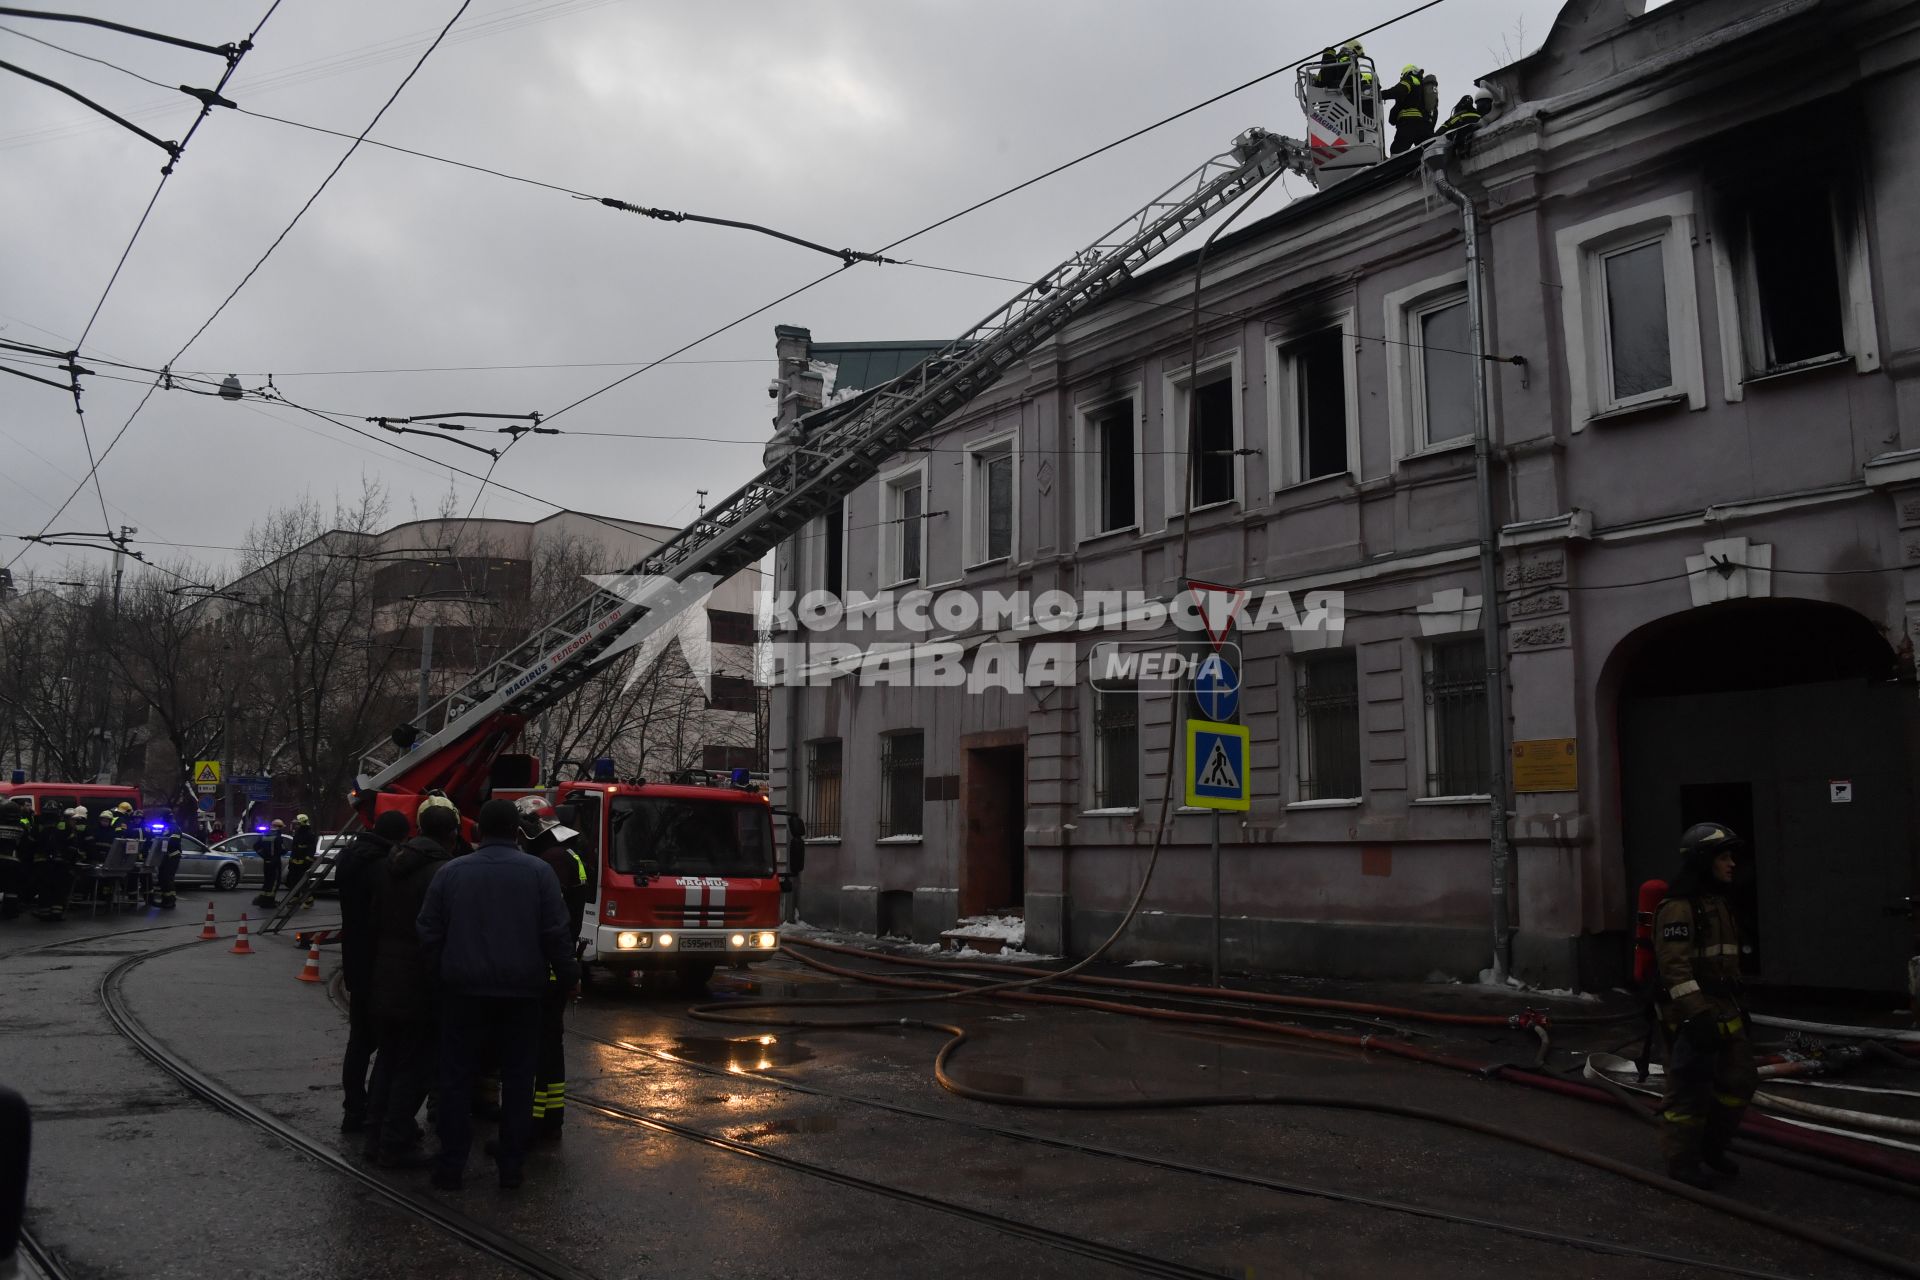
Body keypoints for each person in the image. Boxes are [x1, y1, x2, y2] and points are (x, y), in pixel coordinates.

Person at [417, 798, 578, 1191]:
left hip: (463, 993)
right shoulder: (539, 873)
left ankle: (450, 1166)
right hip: (522, 995)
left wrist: (441, 975)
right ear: (518, 831)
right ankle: (511, 1167)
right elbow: (556, 934)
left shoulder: (451, 873)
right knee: (519, 1080)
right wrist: (570, 976)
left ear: (476, 832)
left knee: (456, 1079)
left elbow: (428, 931)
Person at [1652, 822, 1758, 1188]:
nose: (1731, 864)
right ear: (1703, 861)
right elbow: (1674, 969)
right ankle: (1682, 1161)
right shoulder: (1679, 909)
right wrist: (1695, 1016)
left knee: (1739, 1081)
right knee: (1689, 1090)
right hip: (1693, 1014)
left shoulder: (1718, 903)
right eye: (1724, 857)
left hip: (1726, 1009)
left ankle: (1712, 1147)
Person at [363, 798, 459, 1167]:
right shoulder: (443, 872)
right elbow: (442, 930)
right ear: (451, 834)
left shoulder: (390, 864)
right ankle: (396, 1140)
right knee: (415, 1065)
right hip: (420, 979)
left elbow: (375, 920)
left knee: (387, 1057)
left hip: (385, 976)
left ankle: (375, 1133)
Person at [515, 796, 588, 1143]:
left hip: (545, 969)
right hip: (559, 965)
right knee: (550, 1046)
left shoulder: (550, 863)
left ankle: (539, 1120)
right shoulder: (568, 855)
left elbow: (547, 923)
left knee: (537, 1048)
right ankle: (549, 1117)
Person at [336, 810, 411, 1135]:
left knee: (358, 1040)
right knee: (389, 1043)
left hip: (354, 958)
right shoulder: (383, 867)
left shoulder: (350, 858)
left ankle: (353, 1108)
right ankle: (380, 1114)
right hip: (380, 962)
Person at [32, 806, 83, 921]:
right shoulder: (65, 826)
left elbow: (31, 844)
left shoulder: (38, 825)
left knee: (45, 889)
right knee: (59, 889)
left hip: (43, 863)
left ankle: (44, 913)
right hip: (61, 864)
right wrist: (71, 860)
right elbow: (73, 845)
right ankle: (57, 913)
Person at [1381, 64, 1436, 154]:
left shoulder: (1410, 79)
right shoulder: (1423, 87)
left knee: (1396, 154)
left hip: (1408, 124)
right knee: (1428, 152)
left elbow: (1398, 91)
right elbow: (1434, 110)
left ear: (1406, 73)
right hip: (1424, 125)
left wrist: (1379, 94)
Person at [0, 798, 32, 920]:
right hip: (14, 862)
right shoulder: (21, 827)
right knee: (11, 890)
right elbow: (26, 846)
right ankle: (10, 911)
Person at [253, 819, 287, 908]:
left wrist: (264, 855)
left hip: (266, 862)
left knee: (267, 881)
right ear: (279, 827)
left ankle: (263, 900)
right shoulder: (278, 837)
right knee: (275, 882)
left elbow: (256, 846)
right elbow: (283, 850)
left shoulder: (264, 835)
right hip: (275, 863)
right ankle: (270, 901)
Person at [286, 813, 318, 897]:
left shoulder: (310, 835)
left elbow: (311, 849)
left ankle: (308, 900)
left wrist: (307, 861)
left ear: (302, 823)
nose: (296, 826)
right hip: (294, 863)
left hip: (303, 864)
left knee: (303, 883)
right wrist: (291, 861)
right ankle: (294, 898)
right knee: (293, 882)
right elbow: (294, 848)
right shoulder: (297, 834)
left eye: (297, 824)